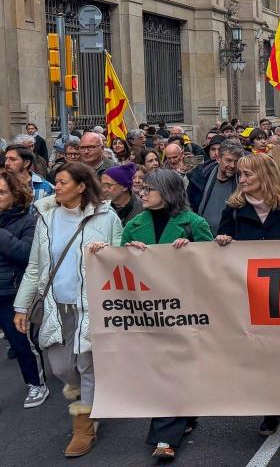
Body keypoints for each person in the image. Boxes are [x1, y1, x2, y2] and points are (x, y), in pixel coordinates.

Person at [92, 168, 213, 460]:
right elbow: (120, 272)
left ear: (168, 191)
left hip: (185, 313)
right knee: (163, 371)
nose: (141, 193)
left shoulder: (193, 224)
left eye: (149, 189)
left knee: (175, 370)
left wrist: (194, 249)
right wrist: (108, 252)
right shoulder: (134, 226)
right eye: (141, 188)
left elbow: (213, 268)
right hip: (149, 314)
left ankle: (165, 436)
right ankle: (179, 419)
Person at [13, 162, 122, 457]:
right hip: (55, 305)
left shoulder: (106, 216)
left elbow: (120, 258)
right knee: (60, 366)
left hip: (91, 304)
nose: (56, 187)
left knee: (86, 362)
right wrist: (22, 306)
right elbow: (35, 267)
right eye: (56, 182)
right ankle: (93, 398)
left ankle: (84, 425)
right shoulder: (46, 217)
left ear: (81, 186)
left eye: (62, 182)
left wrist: (108, 252)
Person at [213, 154, 280, 442]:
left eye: (248, 175)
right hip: (251, 294)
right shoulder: (234, 208)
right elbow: (222, 243)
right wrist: (223, 242)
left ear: (266, 176)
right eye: (240, 176)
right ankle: (271, 409)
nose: (241, 180)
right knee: (262, 354)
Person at [0, 170, 47, 410]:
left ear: (16, 195)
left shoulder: (29, 220)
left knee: (21, 343)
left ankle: (36, 383)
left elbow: (26, 253)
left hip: (12, 291)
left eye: (1, 193)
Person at [190, 141, 242, 235]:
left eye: (236, 161)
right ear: (218, 158)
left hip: (231, 239)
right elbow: (189, 206)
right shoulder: (201, 176)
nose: (233, 166)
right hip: (201, 237)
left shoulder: (243, 181)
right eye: (228, 160)